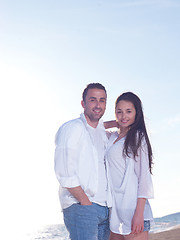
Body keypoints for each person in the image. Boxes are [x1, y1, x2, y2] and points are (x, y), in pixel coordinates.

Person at [54, 83, 113, 240]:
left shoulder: (100, 132)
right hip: (82, 206)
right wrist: (84, 201)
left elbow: (102, 124)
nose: (98, 105)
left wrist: (122, 121)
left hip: (104, 208)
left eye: (102, 100)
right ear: (83, 103)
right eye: (93, 100)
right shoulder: (72, 128)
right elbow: (64, 171)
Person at [106, 92, 154, 240]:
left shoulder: (138, 137)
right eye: (119, 112)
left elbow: (144, 177)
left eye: (128, 111)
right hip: (115, 211)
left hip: (134, 210)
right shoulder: (113, 136)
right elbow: (93, 128)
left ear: (136, 113)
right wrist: (115, 123)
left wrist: (139, 214)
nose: (123, 116)